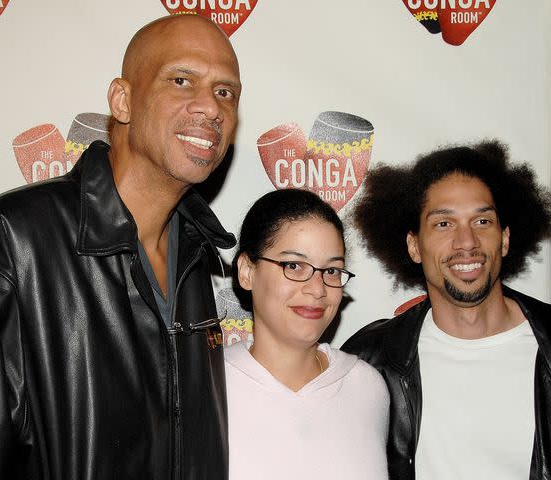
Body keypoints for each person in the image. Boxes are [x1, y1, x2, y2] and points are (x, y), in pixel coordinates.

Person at [0, 14, 241, 479]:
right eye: (181, 80)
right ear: (122, 100)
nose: (211, 107)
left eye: (226, 92)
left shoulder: (196, 255)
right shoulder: (13, 238)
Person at [342, 140, 551, 480]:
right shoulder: (370, 360)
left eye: (482, 221)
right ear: (414, 246)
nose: (466, 242)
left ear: (505, 238)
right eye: (444, 224)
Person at [225, 188, 389, 480]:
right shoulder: (203, 384)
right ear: (247, 271)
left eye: (332, 271)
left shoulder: (368, 387)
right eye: (294, 266)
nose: (317, 289)